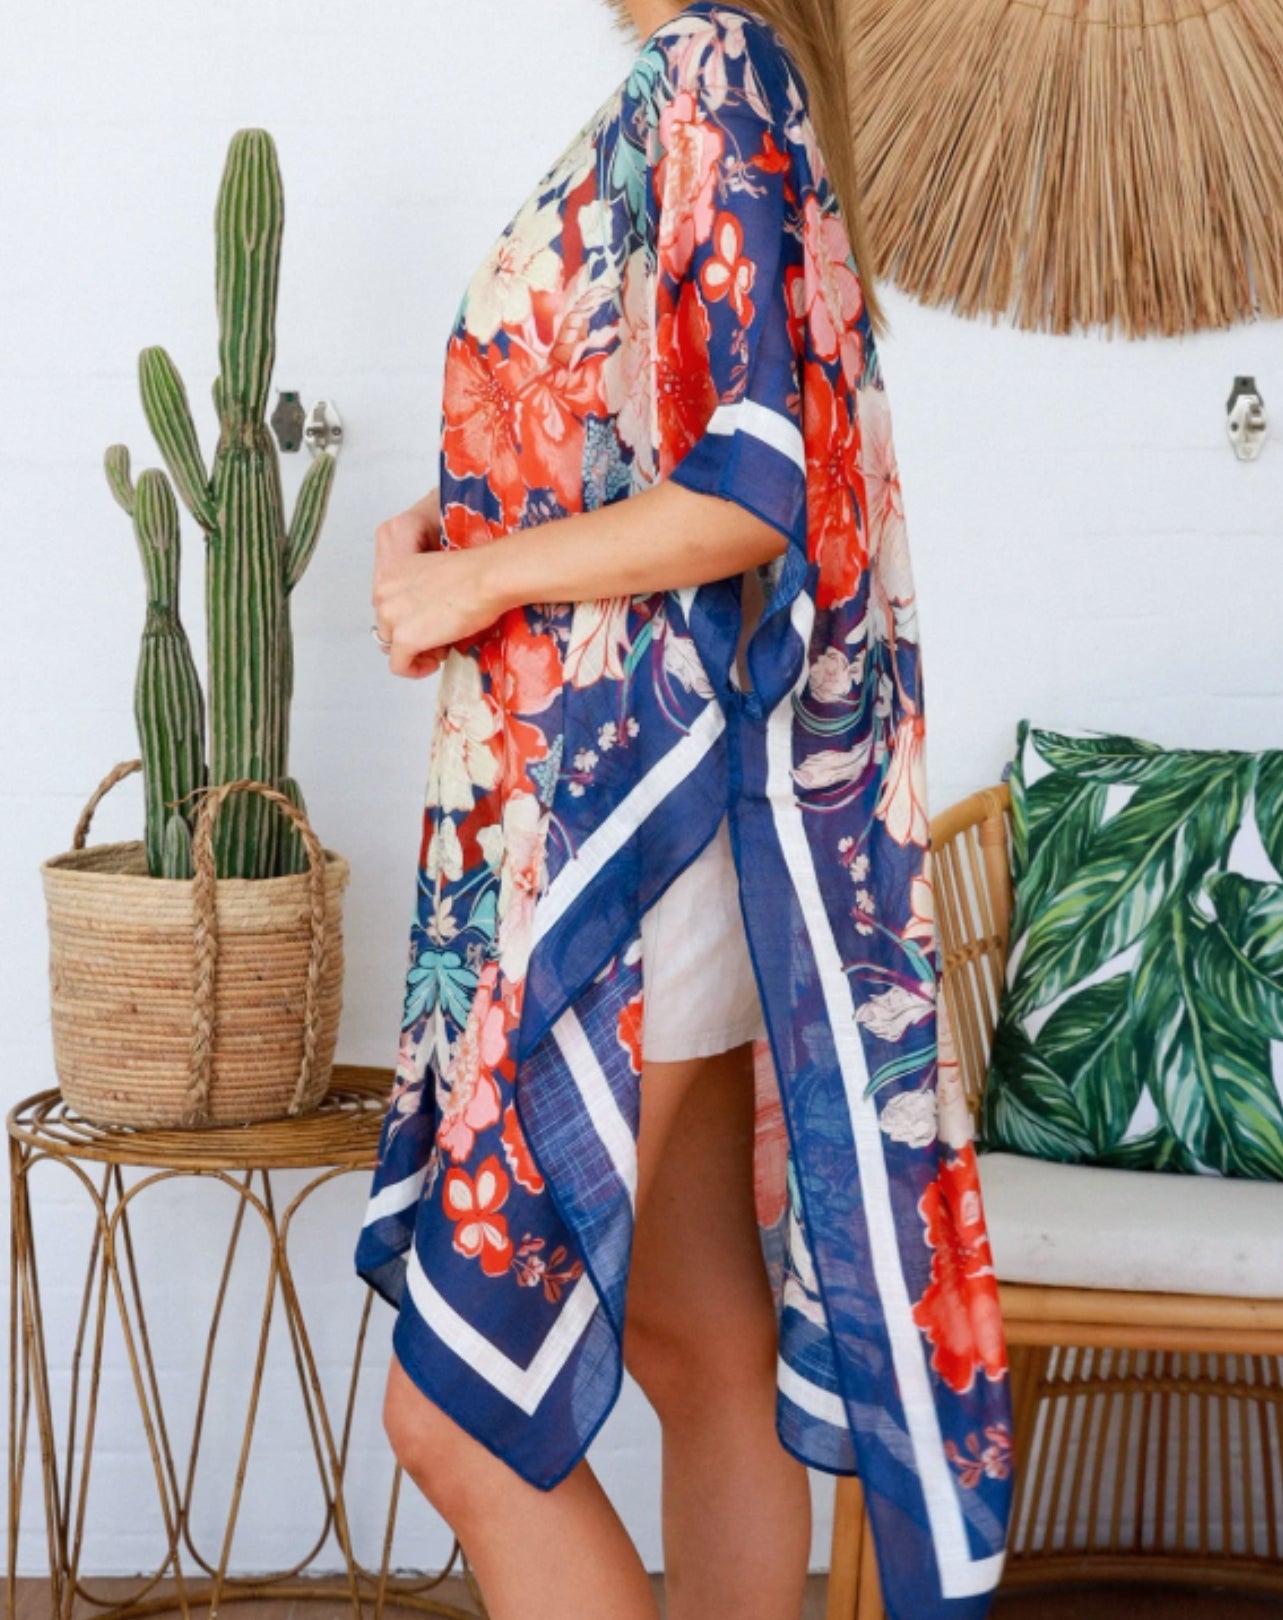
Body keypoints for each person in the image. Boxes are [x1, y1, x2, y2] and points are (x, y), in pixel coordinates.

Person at [356, 4, 1013, 1619]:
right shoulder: (712, 81)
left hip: (633, 842)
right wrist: (450, 525)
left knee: (450, 1416)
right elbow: (636, 443)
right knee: (698, 1335)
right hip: (665, 825)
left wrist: (482, 578)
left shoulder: (715, 66)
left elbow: (747, 483)